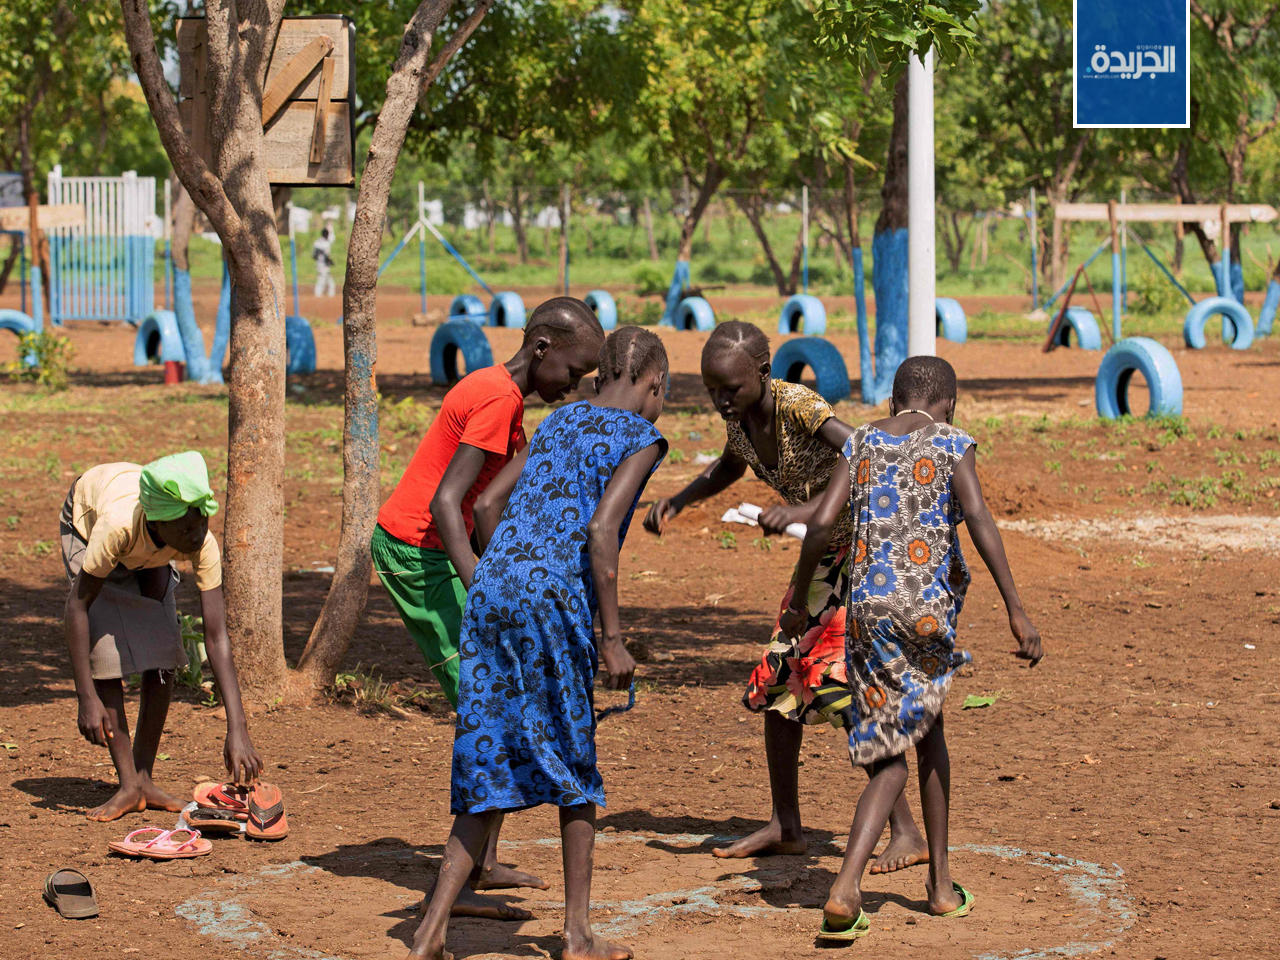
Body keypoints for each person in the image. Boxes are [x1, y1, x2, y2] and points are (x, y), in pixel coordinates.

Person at [408, 327, 669, 960]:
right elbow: (602, 533)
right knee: (575, 761)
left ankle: (430, 929)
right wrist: (611, 639)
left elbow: (486, 507)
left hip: (492, 588)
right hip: (553, 603)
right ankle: (577, 936)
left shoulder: (557, 421)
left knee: (488, 748)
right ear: (655, 384)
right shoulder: (641, 437)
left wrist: (512, 570)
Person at [642, 322, 926, 870]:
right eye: (712, 391)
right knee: (780, 678)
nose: (721, 401)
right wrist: (680, 500)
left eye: (730, 389)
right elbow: (729, 465)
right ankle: (786, 823)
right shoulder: (741, 420)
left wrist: (801, 511)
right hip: (822, 556)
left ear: (764, 374)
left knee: (835, 684)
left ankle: (907, 830)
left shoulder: (798, 407)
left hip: (865, 555)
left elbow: (867, 453)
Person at [779, 356, 1043, 940]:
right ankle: (860, 886)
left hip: (868, 614)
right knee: (908, 749)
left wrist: (799, 597)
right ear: (949, 403)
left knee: (912, 736)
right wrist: (1015, 608)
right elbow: (979, 517)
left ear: (893, 401)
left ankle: (938, 884)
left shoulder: (863, 441)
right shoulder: (952, 442)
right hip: (926, 617)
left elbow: (821, 523)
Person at [372, 297, 605, 920]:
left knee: (496, 704)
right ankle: (459, 889)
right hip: (418, 555)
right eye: (573, 372)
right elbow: (449, 503)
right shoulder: (499, 399)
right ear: (541, 349)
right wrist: (483, 588)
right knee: (490, 706)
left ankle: (481, 863)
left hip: (432, 552)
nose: (574, 385)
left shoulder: (501, 394)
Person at [61, 451, 263, 822]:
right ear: (157, 523)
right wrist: (85, 696)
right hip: (88, 522)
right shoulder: (117, 526)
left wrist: (238, 728)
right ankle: (129, 785)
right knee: (106, 656)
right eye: (186, 530)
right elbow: (77, 607)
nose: (196, 534)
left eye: (202, 522)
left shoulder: (195, 537)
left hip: (147, 539)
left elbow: (216, 636)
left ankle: (144, 780)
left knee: (164, 656)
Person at [312, 226, 335, 297]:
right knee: (321, 278)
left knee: (328, 278)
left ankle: (330, 294)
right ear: (326, 234)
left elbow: (314, 255)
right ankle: (318, 294)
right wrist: (329, 261)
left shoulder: (318, 242)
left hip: (322, 263)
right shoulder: (324, 243)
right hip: (322, 264)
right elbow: (324, 255)